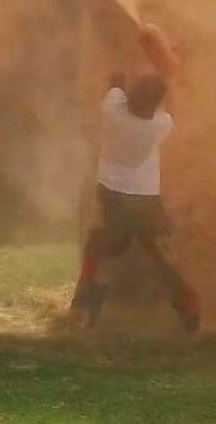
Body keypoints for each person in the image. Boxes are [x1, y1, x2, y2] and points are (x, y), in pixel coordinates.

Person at [69, 25, 201, 332]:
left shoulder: (113, 110)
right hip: (145, 198)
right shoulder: (158, 125)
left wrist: (132, 49)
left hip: (114, 194)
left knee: (98, 244)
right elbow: (171, 107)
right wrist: (167, 62)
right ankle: (187, 303)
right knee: (157, 251)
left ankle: (86, 301)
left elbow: (116, 79)